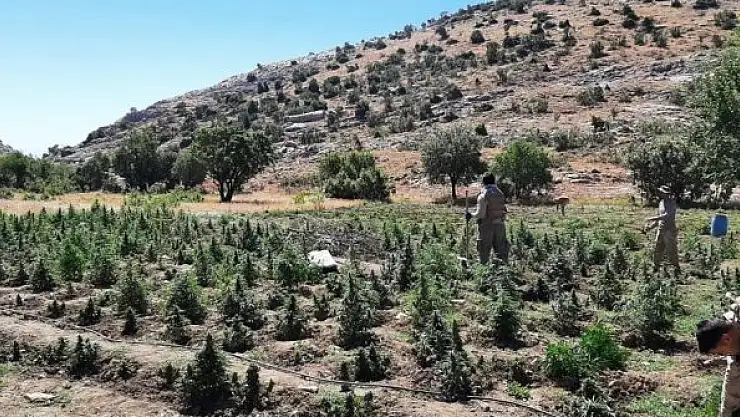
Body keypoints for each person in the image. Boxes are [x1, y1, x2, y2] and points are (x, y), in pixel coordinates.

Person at [696, 299, 740, 417]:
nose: (723, 355)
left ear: (726, 340)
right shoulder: (731, 325)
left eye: (721, 352)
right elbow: (730, 396)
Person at [465, 173, 508, 264]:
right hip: (500, 226)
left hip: (487, 227)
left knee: (484, 255)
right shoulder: (500, 194)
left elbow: (481, 214)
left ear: (483, 182)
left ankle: (484, 272)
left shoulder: (483, 195)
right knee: (501, 255)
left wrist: (471, 215)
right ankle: (503, 271)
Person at [644, 185, 679, 272]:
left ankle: (676, 268)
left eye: (662, 193)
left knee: (671, 250)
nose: (660, 194)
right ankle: (655, 267)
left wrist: (652, 218)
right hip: (661, 229)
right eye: (660, 192)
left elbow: (666, 216)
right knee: (657, 249)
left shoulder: (671, 203)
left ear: (667, 194)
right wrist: (650, 227)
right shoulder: (661, 203)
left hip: (669, 230)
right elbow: (660, 218)